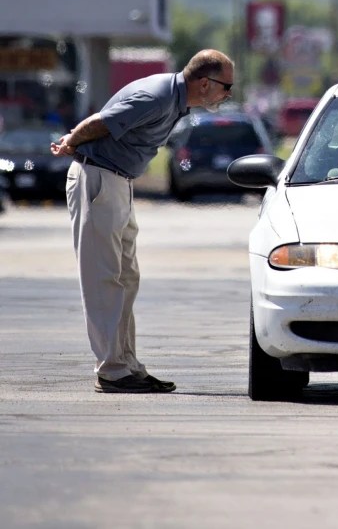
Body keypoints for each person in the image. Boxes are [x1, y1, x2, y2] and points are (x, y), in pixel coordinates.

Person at [50, 49, 236, 394]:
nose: (228, 95)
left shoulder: (175, 100)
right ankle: (112, 370)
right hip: (99, 178)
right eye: (227, 88)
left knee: (126, 277)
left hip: (118, 182)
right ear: (206, 83)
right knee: (103, 277)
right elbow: (100, 122)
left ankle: (127, 364)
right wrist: (70, 142)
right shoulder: (158, 97)